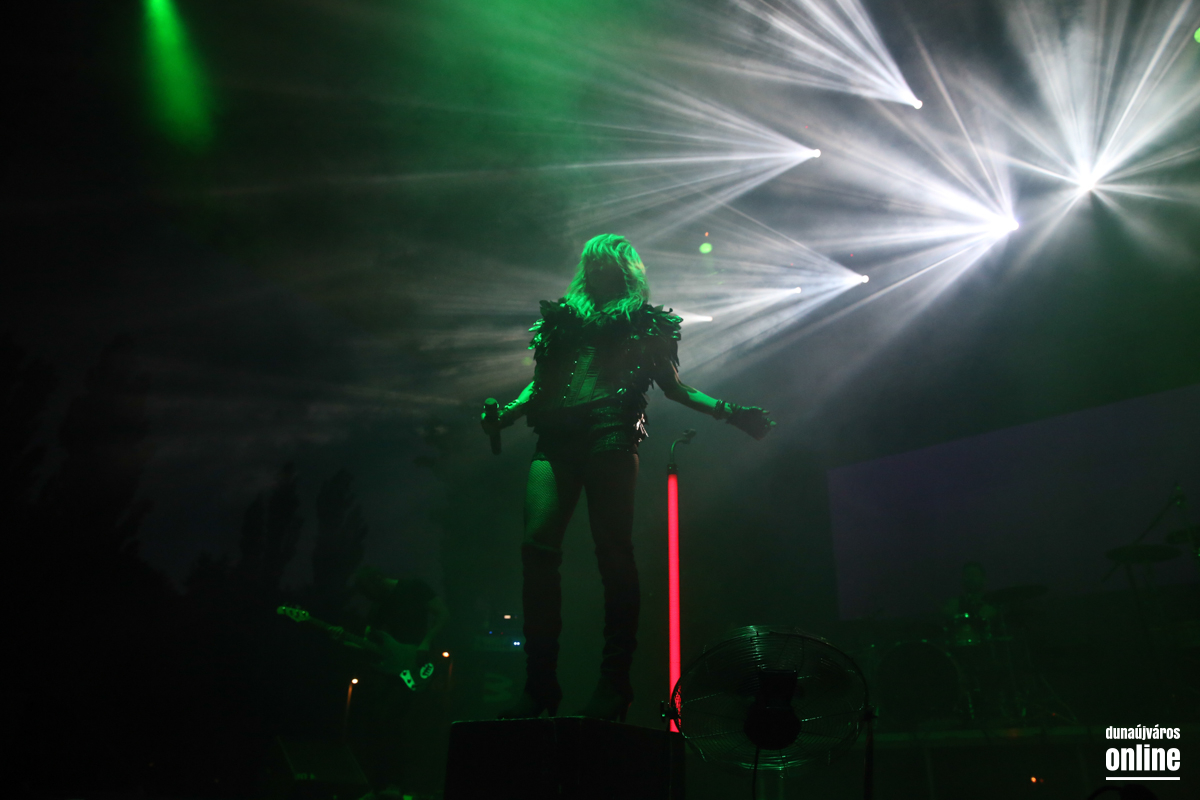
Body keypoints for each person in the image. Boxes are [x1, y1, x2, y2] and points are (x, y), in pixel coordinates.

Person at [481, 234, 774, 721]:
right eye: (592, 262)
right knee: (536, 549)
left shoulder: (645, 322)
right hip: (555, 436)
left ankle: (614, 682)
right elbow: (541, 384)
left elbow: (675, 388)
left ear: (626, 270)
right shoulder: (562, 320)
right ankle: (539, 684)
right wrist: (505, 414)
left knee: (613, 551)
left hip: (612, 430)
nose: (598, 270)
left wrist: (731, 411)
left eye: (607, 263)